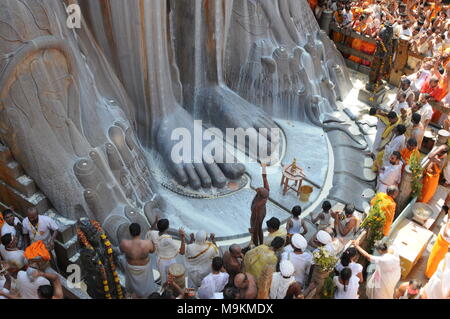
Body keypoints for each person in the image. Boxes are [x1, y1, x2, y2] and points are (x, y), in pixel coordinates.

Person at [119, 223, 156, 298]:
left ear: (130, 232)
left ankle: (134, 294)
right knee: (146, 285)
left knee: (132, 285)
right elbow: (153, 251)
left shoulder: (124, 243)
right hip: (144, 267)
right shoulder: (147, 244)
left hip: (131, 267)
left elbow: (122, 251)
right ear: (140, 231)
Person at [146, 218, 186, 285]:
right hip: (169, 261)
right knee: (172, 277)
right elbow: (182, 252)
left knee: (164, 278)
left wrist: (155, 222)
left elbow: (149, 231)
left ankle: (164, 289)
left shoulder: (153, 233)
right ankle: (171, 288)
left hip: (160, 260)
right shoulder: (167, 239)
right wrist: (182, 238)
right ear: (167, 227)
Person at [425, 207, 449, 278]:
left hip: (444, 243)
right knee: (436, 259)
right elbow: (445, 233)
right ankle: (429, 274)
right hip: (443, 243)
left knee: (437, 259)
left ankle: (430, 274)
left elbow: (445, 233)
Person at [250, 163, 270, 247]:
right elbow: (264, 177)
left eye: (259, 189)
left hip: (258, 216)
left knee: (256, 231)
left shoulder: (257, 205)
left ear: (260, 195)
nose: (259, 188)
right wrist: (263, 167)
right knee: (259, 228)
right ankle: (261, 243)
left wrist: (253, 228)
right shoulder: (267, 190)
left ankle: (257, 244)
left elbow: (256, 218)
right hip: (262, 212)